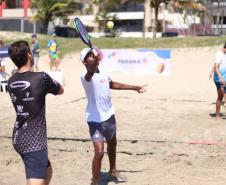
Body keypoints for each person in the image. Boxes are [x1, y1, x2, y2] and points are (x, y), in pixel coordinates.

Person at [80, 48, 147, 185]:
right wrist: (93, 61)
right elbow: (90, 73)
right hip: (94, 120)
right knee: (99, 153)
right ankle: (95, 182)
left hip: (109, 115)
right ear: (85, 62)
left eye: (92, 55)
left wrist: (135, 88)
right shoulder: (85, 76)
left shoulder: (104, 72)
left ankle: (113, 170)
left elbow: (112, 84)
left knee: (112, 144)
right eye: (89, 57)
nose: (92, 57)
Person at [7, 40, 64, 185]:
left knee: (47, 171)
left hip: (18, 137)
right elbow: (60, 90)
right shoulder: (41, 78)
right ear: (29, 55)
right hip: (33, 141)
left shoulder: (11, 81)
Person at [213, 43, 226, 119]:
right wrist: (221, 78)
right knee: (221, 96)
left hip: (225, 78)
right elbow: (215, 67)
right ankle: (217, 115)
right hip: (218, 79)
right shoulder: (219, 54)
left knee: (222, 97)